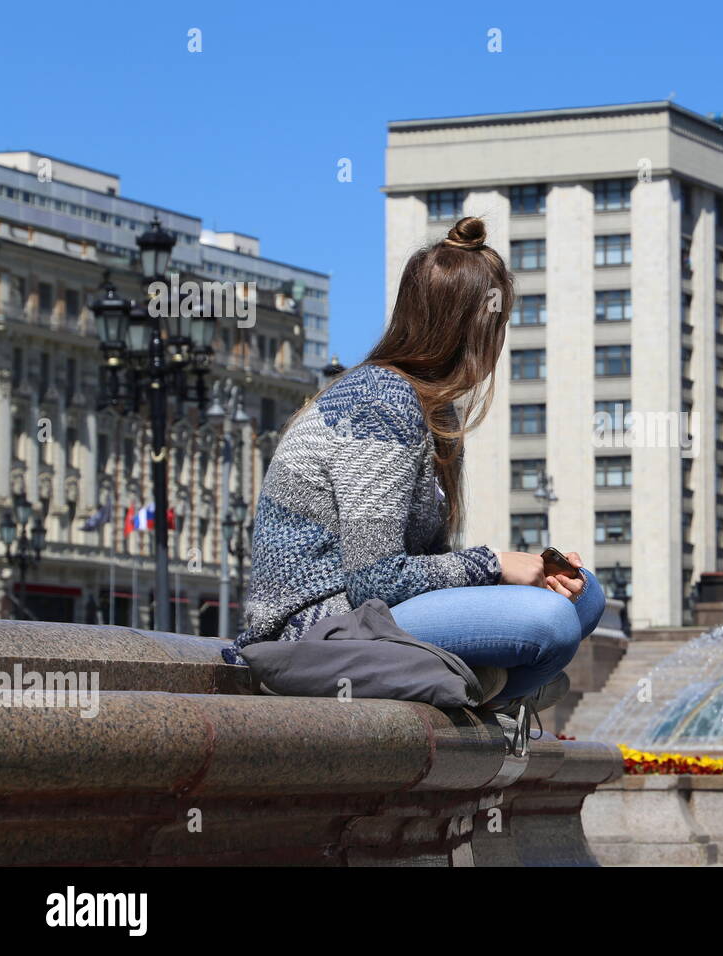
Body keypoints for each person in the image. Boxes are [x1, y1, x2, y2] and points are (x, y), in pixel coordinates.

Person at [221, 217, 604, 730]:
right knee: (550, 623)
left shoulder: (434, 411)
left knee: (586, 596)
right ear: (474, 328)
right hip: (318, 628)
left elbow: (422, 567)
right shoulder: (379, 402)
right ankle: (480, 688)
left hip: (374, 615)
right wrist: (494, 566)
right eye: (500, 322)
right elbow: (373, 579)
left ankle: (468, 684)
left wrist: (530, 571)